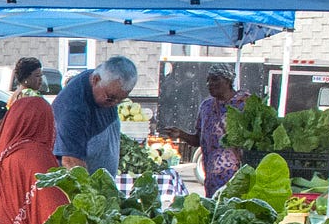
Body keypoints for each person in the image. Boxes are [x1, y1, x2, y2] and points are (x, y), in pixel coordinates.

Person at [160, 63, 252, 195]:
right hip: (211, 178)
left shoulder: (244, 104)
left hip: (237, 177)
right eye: (208, 80)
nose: (209, 84)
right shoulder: (206, 106)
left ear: (227, 81)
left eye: (215, 79)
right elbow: (198, 140)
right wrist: (180, 134)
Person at [51, 56, 138, 175]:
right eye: (110, 98)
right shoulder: (72, 108)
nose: (114, 104)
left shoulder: (105, 82)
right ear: (95, 80)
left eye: (120, 100)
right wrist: (91, 192)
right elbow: (71, 162)